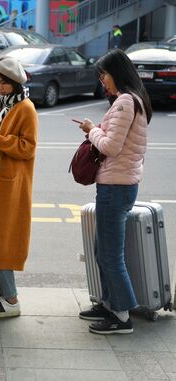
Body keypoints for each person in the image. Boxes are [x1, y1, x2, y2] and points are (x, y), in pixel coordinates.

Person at [77, 49, 152, 334]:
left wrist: (90, 129)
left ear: (116, 73)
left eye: (104, 75)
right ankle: (109, 304)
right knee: (103, 250)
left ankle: (121, 316)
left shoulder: (124, 102)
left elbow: (110, 147)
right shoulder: (135, 100)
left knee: (110, 255)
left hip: (116, 187)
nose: (102, 81)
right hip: (120, 183)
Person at [0, 57, 38, 318]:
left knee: (1, 243)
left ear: (15, 83)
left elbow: (27, 148)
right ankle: (5, 293)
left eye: (2, 83)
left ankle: (11, 299)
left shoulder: (25, 108)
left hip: (11, 185)